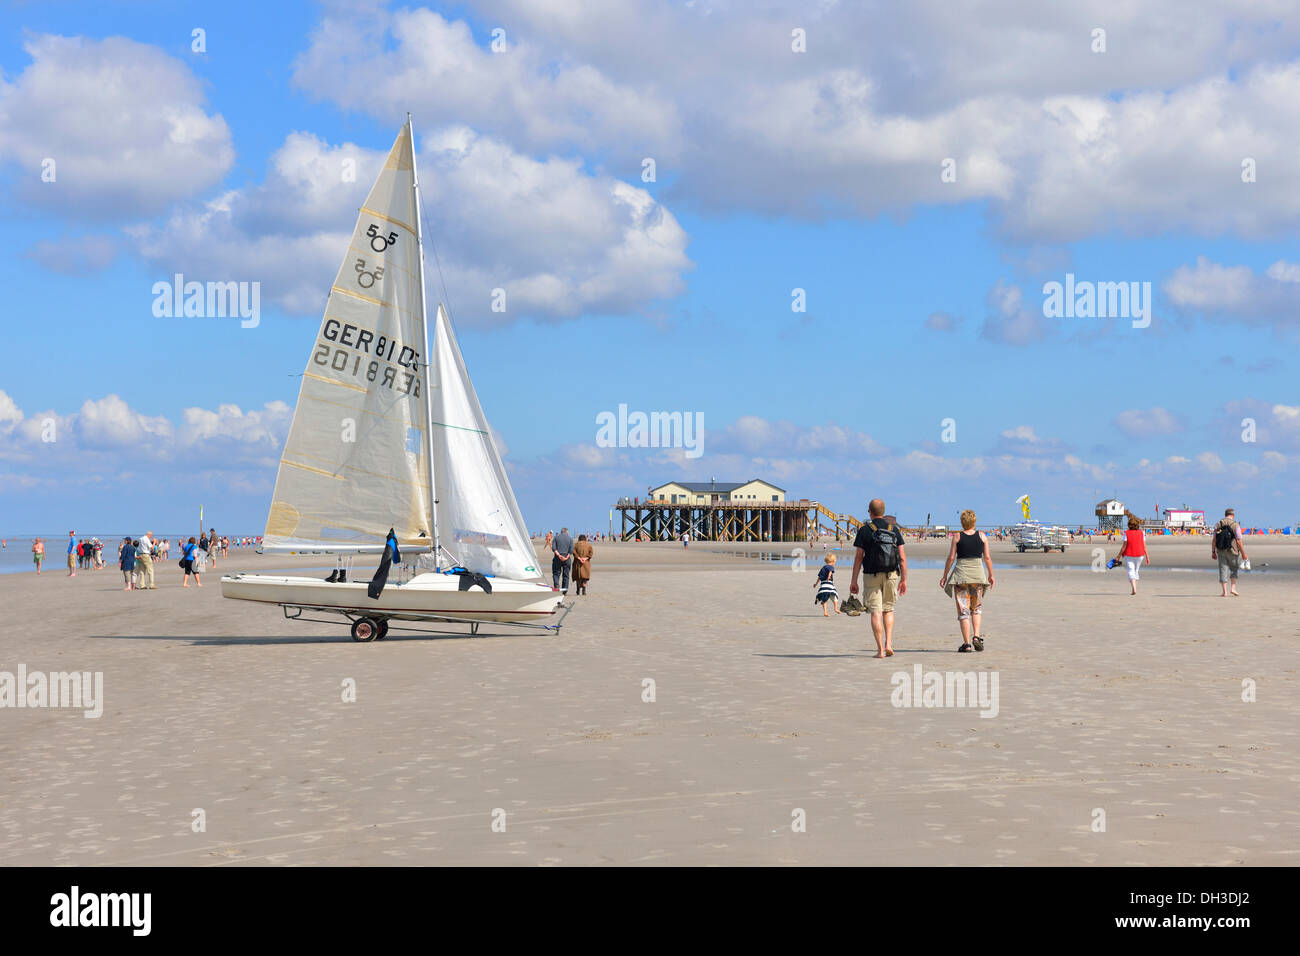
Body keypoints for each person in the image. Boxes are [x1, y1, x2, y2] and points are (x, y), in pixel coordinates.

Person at [850, 499, 908, 658]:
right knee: (888, 610)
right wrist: (904, 580)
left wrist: (853, 580)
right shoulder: (894, 530)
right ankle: (889, 643)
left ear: (870, 511)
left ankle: (880, 650)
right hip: (891, 574)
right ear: (883, 511)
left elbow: (858, 558)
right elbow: (902, 557)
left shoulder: (864, 530)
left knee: (876, 612)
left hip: (871, 575)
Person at [939, 510, 994, 652]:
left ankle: (967, 644)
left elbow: (951, 558)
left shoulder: (957, 536)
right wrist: (991, 575)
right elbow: (987, 558)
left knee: (964, 611)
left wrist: (945, 575)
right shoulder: (982, 536)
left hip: (961, 576)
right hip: (977, 576)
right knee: (976, 609)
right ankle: (976, 636)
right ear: (974, 521)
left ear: (962, 522)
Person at [1212, 508, 1250, 597]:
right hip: (1233, 550)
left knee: (1223, 569)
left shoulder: (1218, 524)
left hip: (1221, 550)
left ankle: (1224, 592)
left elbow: (1214, 539)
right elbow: (1239, 540)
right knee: (1234, 569)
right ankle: (1233, 588)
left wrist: (1213, 551)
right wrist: (1243, 553)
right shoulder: (1235, 525)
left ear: (1225, 514)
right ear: (1233, 515)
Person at [1118, 515, 1149, 595]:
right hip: (1140, 554)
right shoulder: (1142, 533)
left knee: (1131, 570)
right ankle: (1134, 589)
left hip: (1129, 554)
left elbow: (1123, 547)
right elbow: (1144, 546)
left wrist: (1118, 556)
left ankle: (1134, 589)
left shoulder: (1127, 533)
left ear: (1129, 525)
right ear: (1137, 525)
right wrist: (1147, 557)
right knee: (1136, 571)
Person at [550, 527, 573, 594]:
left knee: (556, 573)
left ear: (561, 532)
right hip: (567, 559)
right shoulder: (570, 539)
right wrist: (566, 557)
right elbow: (571, 551)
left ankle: (556, 585)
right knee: (566, 575)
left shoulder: (556, 538)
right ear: (567, 532)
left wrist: (559, 555)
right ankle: (564, 590)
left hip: (557, 558)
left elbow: (554, 548)